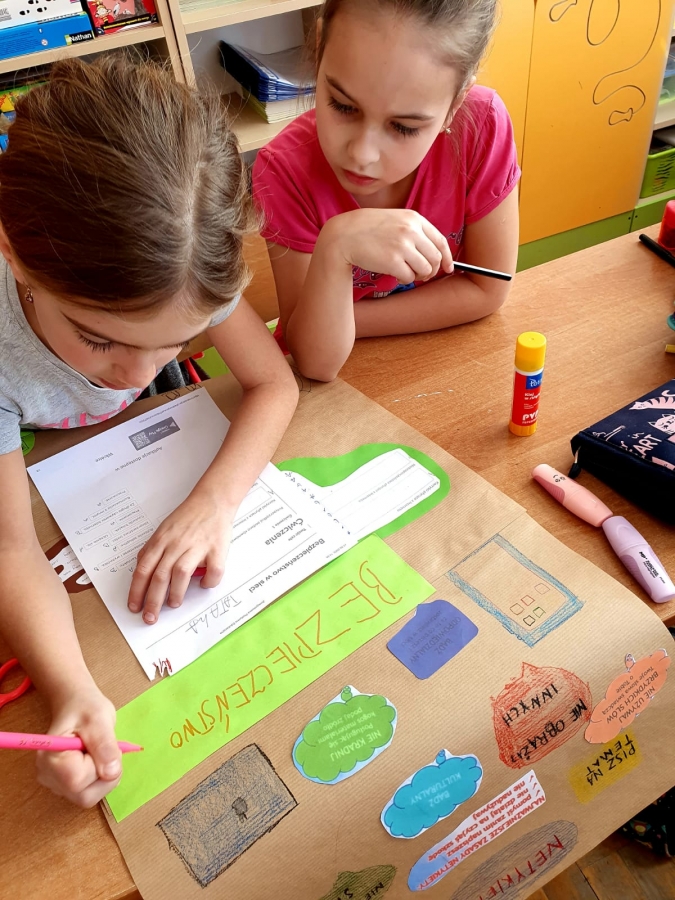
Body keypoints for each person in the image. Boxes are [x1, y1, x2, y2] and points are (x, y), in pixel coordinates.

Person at [0, 56, 298, 807]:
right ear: (14, 253)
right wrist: (72, 690)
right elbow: (9, 549)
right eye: (99, 339)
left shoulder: (185, 259)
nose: (135, 372)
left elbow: (273, 383)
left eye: (177, 340)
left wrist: (214, 503)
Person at [253, 0, 520, 382]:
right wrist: (336, 246)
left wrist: (342, 319)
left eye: (404, 127)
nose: (362, 154)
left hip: (442, 369)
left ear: (455, 103)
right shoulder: (284, 170)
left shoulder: (482, 125)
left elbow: (489, 288)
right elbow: (314, 359)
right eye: (343, 106)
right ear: (320, 47)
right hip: (333, 391)